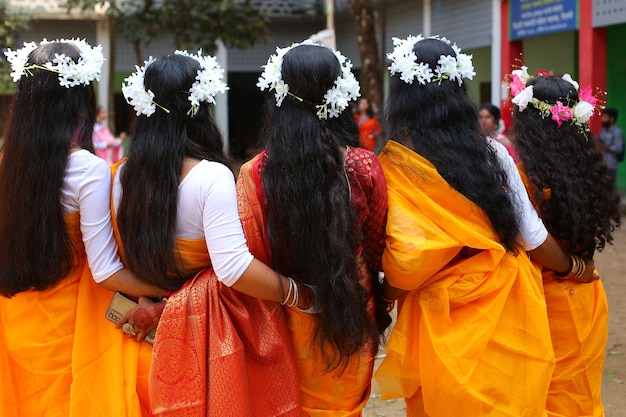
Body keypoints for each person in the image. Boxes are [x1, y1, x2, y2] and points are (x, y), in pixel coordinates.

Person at [373, 35, 597, 417]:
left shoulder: (394, 164)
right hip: (503, 305)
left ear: (402, 95)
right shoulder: (492, 153)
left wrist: (382, 296)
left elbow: (406, 261)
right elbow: (531, 237)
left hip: (434, 314)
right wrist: (577, 268)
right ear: (460, 90)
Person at [114, 50, 302, 416]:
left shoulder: (123, 175)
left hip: (144, 335)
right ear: (202, 106)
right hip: (209, 339)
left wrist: (164, 304)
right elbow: (232, 267)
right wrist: (297, 294)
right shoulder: (210, 175)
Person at [0, 39, 166, 417]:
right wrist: (170, 289)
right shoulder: (87, 170)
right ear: (78, 101)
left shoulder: (7, 160)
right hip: (74, 327)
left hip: (15, 316)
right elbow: (106, 269)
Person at [238, 41, 390, 415]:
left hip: (281, 317)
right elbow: (375, 250)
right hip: (350, 312)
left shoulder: (254, 172)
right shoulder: (363, 165)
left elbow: (250, 255)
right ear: (339, 96)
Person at [509, 70, 621, 416]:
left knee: (546, 397)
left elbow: (529, 241)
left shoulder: (524, 178)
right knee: (580, 397)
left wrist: (572, 268)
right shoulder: (591, 171)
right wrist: (579, 268)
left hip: (541, 302)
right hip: (587, 297)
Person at [596, 107, 624, 183]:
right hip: (601, 164)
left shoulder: (617, 132)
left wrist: (604, 147)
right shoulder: (603, 130)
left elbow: (618, 148)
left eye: (605, 117)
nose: (602, 119)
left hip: (611, 165)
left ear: (611, 119)